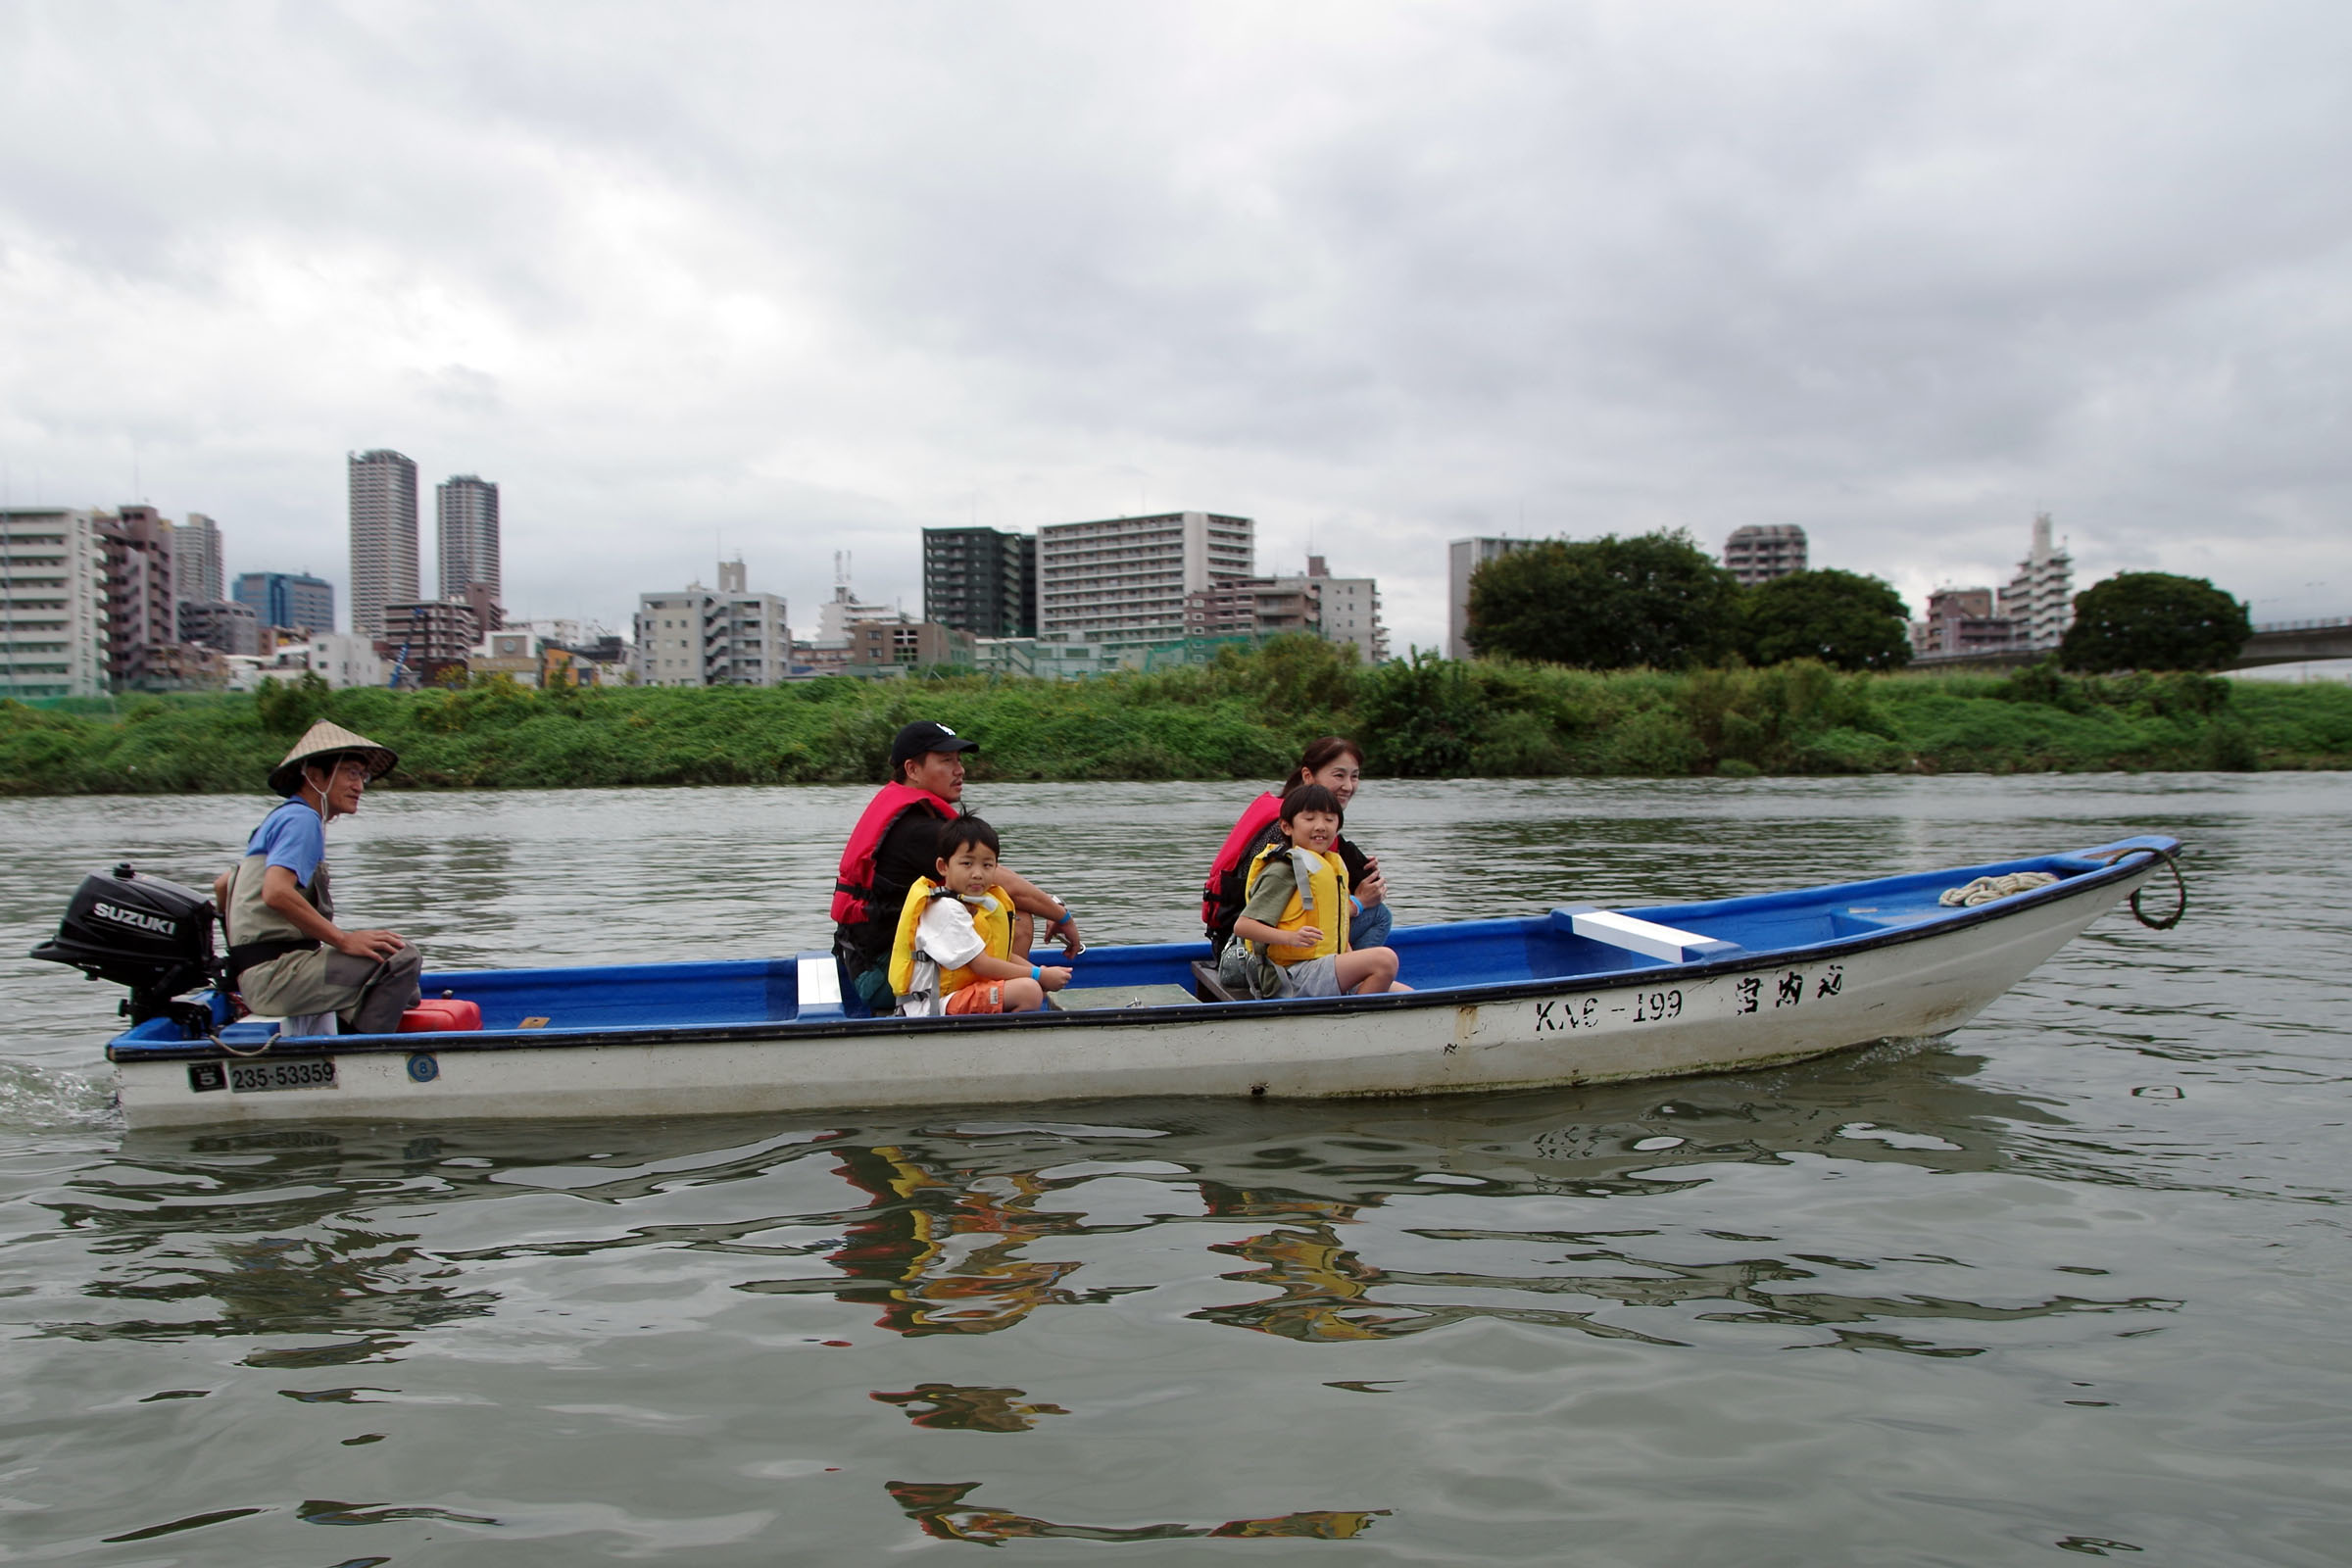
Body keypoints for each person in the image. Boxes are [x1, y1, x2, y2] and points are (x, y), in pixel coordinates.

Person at [832, 720, 1082, 1013]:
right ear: (912, 769)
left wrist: (1050, 907)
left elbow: (994, 883)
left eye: (959, 761)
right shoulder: (918, 830)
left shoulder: (915, 816)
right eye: (946, 761)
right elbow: (1005, 885)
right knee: (1014, 914)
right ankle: (1016, 1001)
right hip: (880, 976)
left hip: (872, 960)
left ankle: (1014, 997)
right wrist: (1062, 916)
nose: (959, 770)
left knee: (1010, 912)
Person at [212, 719, 422, 1034]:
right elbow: (275, 893)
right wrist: (342, 940)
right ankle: (366, 1055)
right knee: (402, 958)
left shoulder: (283, 817)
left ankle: (340, 1025)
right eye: (350, 772)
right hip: (276, 977)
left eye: (363, 776)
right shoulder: (303, 819)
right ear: (314, 776)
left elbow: (225, 884)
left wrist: (241, 959)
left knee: (408, 990)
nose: (360, 786)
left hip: (260, 974)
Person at [1202, 736, 1392, 994]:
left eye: (1354, 777)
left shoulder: (1315, 845)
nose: (1348, 786)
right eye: (1339, 775)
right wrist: (1358, 903)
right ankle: (1351, 1000)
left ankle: (1353, 981)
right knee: (1380, 925)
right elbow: (1252, 908)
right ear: (1307, 775)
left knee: (1402, 990)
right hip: (1258, 956)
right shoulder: (1283, 852)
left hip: (1301, 953)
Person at [1232, 783, 1408, 998]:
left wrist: (1351, 963)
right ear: (1287, 827)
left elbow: (1339, 933)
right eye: (1309, 819)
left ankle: (1354, 1012)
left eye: (1329, 819)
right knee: (1385, 960)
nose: (1321, 826)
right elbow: (1243, 926)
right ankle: (1350, 1021)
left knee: (1407, 994)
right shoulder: (1283, 871)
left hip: (1320, 969)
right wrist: (1290, 937)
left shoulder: (1331, 867)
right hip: (1289, 977)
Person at [888, 816, 1073, 1016]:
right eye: (967, 863)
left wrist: (1041, 972)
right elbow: (982, 964)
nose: (978, 874)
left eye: (987, 865)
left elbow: (1000, 955)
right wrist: (1039, 975)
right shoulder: (946, 909)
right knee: (1028, 992)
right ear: (943, 867)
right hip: (935, 1006)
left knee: (1034, 987)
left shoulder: (973, 906)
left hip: (958, 996)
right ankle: (1002, 1043)